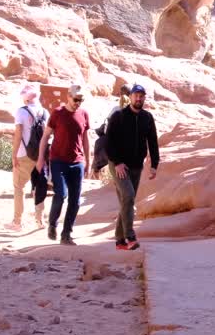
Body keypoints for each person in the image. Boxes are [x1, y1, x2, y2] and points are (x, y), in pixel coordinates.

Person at [105, 84, 159, 251]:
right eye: (136, 95)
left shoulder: (147, 118)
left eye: (141, 96)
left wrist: (154, 164)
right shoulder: (119, 116)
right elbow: (108, 142)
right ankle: (130, 236)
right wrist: (117, 162)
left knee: (126, 201)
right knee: (128, 196)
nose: (138, 98)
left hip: (137, 166)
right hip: (119, 165)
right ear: (130, 97)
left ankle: (119, 241)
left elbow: (153, 142)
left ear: (144, 98)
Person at [38, 84, 92, 246]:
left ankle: (67, 233)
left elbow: (85, 139)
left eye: (81, 100)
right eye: (76, 99)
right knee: (61, 194)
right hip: (58, 161)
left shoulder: (84, 114)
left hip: (77, 162)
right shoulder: (58, 113)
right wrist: (41, 158)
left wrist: (88, 161)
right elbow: (46, 136)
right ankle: (52, 224)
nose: (78, 103)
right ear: (68, 96)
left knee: (75, 201)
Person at [10, 85, 48, 230]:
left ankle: (17, 221)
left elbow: (18, 134)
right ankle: (39, 221)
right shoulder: (45, 112)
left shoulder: (21, 112)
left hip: (23, 155)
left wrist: (14, 155)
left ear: (25, 99)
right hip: (40, 156)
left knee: (19, 187)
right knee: (39, 187)